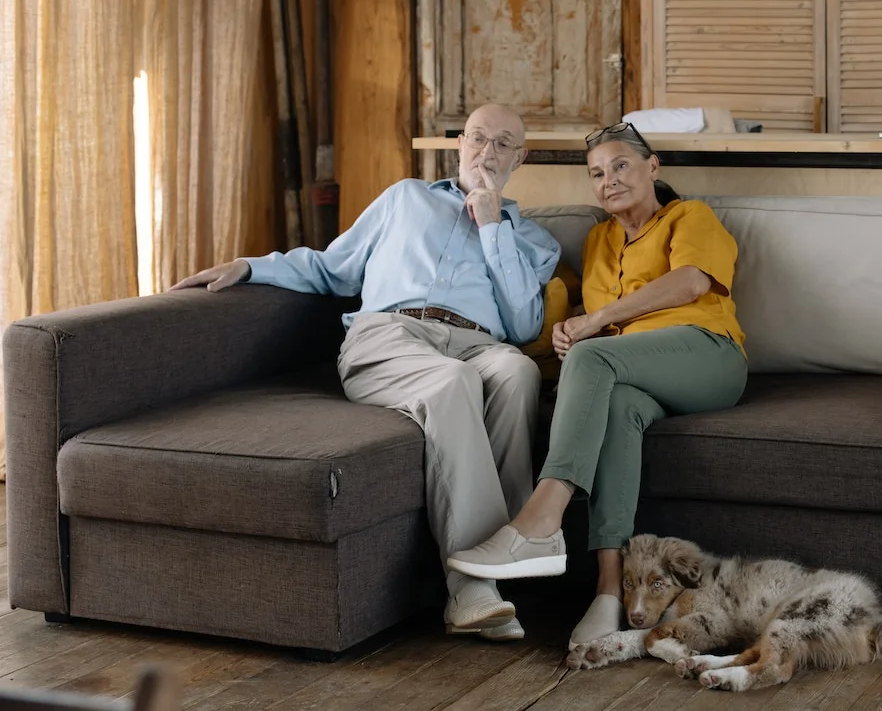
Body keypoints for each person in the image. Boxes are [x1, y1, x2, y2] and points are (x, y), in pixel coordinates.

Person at [170, 104, 561, 643]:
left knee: (516, 372)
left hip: (478, 342)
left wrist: (493, 223)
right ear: (459, 144)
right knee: (452, 383)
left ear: (521, 157)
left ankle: (511, 548)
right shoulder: (405, 198)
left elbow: (521, 325)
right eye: (477, 139)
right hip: (391, 336)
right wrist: (251, 266)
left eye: (501, 144)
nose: (486, 153)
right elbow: (333, 267)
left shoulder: (535, 241)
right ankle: (470, 586)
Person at [445, 120, 749, 649]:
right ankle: (610, 592)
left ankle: (540, 521)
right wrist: (570, 325)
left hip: (707, 353)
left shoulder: (688, 216)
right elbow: (603, 324)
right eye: (597, 174)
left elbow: (691, 281)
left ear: (653, 167)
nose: (608, 180)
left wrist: (591, 326)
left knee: (592, 355)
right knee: (617, 410)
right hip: (638, 373)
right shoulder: (599, 239)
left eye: (621, 166)